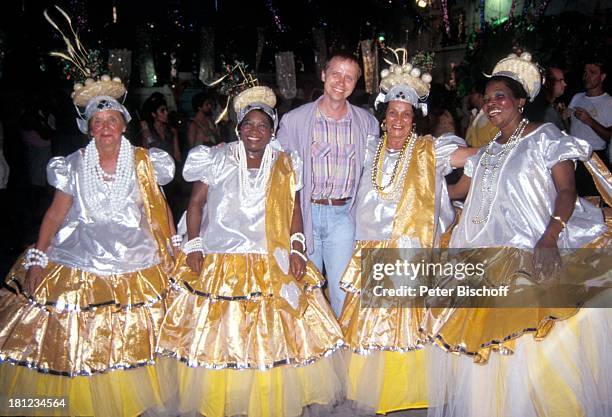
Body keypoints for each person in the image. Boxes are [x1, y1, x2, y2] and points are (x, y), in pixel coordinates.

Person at [426, 52, 611, 417]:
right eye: (488, 97)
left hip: (536, 243)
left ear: (521, 101)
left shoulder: (546, 137)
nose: (492, 104)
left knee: (538, 335)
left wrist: (550, 237)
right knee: (492, 339)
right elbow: (457, 191)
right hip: (490, 251)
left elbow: (565, 191)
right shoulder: (486, 152)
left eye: (501, 97)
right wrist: (417, 180)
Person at [156, 85, 345, 417]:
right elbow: (196, 203)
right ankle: (226, 396)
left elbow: (294, 209)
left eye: (262, 126)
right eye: (249, 124)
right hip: (222, 257)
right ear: (239, 127)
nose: (255, 131)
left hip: (270, 255)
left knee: (273, 334)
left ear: (271, 131)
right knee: (220, 333)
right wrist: (195, 243)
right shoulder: (215, 157)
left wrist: (298, 249)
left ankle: (264, 394)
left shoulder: (286, 162)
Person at [0, 73, 177, 417]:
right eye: (98, 123)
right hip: (79, 250)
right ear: (90, 129)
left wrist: (173, 250)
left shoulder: (144, 162)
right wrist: (37, 258)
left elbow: (162, 209)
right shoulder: (74, 164)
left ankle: (128, 397)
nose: (105, 128)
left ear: (123, 126)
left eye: (112, 121)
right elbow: (54, 215)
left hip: (135, 253)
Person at [337, 50, 475, 414]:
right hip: (370, 246)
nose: (399, 119)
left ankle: (412, 391)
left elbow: (473, 158)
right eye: (393, 113)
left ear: (415, 120)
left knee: (410, 322)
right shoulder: (369, 148)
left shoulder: (431, 150)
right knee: (373, 324)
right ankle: (377, 393)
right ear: (384, 118)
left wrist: (516, 145)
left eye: (406, 114)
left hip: (410, 250)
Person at [277, 51, 379, 317]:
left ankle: (343, 352)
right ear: (323, 75)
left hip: (344, 216)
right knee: (305, 287)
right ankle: (311, 351)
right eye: (335, 73)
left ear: (356, 84)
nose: (341, 82)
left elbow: (375, 170)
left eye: (349, 77)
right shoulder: (294, 120)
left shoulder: (367, 123)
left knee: (343, 289)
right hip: (305, 214)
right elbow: (276, 168)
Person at [567, 60, 612, 196]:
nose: (587, 76)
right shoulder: (577, 97)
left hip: (594, 157)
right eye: (585, 72)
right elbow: (569, 127)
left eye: (592, 73)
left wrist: (589, 121)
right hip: (573, 155)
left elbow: (609, 136)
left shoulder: (608, 102)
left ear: (602, 77)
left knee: (592, 200)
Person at [141, 93, 182, 162]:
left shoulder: (172, 131)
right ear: (153, 114)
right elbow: (145, 156)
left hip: (171, 168)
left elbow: (177, 154)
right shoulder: (148, 133)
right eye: (162, 111)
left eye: (166, 110)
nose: (166, 113)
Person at [525, 66, 568, 131]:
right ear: (547, 83)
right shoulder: (544, 110)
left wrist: (563, 118)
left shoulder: (552, 107)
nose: (565, 84)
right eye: (560, 81)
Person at [464, 80, 499, 147]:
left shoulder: (492, 116)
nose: (470, 96)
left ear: (480, 96)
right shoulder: (474, 115)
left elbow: (496, 146)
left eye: (472, 93)